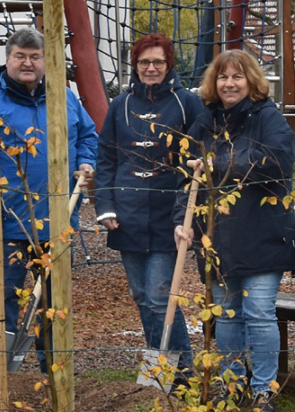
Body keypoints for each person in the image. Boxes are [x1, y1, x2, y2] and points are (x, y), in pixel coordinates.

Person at [174, 49, 295, 412]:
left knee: (259, 313)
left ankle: (263, 390)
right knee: (226, 317)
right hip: (219, 239)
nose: (230, 84)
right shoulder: (205, 122)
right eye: (223, 77)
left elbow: (277, 163)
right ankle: (231, 384)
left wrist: (218, 163)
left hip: (262, 235)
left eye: (237, 77)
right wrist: (182, 222)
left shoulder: (268, 118)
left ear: (251, 81)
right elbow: (187, 178)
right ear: (215, 82)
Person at [95, 34, 206, 381]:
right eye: (144, 62)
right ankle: (161, 368)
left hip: (169, 215)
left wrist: (188, 210)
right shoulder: (121, 104)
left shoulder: (187, 103)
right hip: (126, 217)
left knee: (161, 298)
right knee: (143, 298)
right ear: (136, 65)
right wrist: (106, 205)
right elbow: (106, 157)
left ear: (168, 63)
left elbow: (200, 156)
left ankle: (182, 372)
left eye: (157, 61)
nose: (151, 68)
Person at [0, 27, 97, 371]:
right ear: (7, 58)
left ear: (45, 61)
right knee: (5, 296)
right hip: (9, 220)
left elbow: (87, 134)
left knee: (53, 299)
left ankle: (50, 366)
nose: (28, 63)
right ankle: (2, 367)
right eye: (20, 56)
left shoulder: (64, 96)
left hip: (57, 220)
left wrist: (86, 160)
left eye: (35, 57)